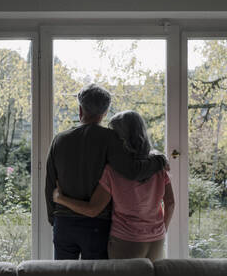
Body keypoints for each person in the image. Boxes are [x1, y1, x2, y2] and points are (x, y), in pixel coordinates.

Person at [45, 84, 167, 260]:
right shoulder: (110, 138)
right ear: (105, 112)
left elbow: (50, 183)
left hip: (64, 222)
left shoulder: (60, 139)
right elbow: (132, 172)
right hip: (96, 225)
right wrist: (159, 159)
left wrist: (54, 219)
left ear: (80, 110)